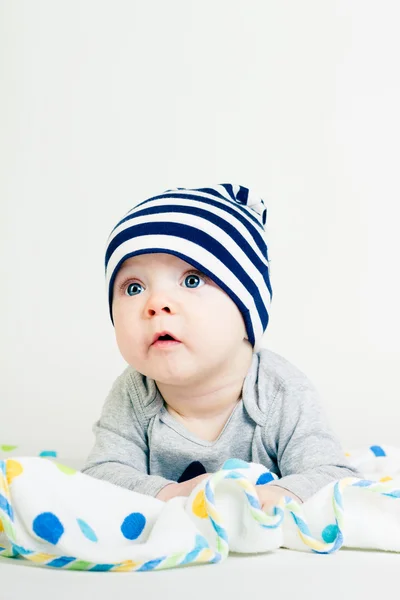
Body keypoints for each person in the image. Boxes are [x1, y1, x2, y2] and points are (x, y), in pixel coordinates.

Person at [81, 183, 360, 512]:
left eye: (192, 280)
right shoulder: (134, 392)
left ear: (247, 314)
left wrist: (279, 497)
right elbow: (100, 475)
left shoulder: (281, 393)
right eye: (134, 287)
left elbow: (333, 476)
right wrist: (170, 494)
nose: (155, 304)